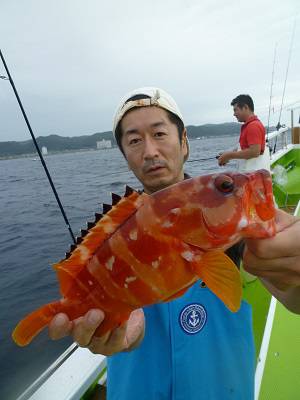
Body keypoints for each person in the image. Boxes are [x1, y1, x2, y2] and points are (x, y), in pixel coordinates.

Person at [49, 87, 300, 400]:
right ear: (126, 156)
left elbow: (292, 298)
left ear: (184, 143)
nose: (150, 150)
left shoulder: (230, 221)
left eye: (159, 133)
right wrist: (111, 329)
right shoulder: (113, 236)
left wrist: (293, 271)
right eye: (134, 141)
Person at [218, 94, 270, 171]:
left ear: (245, 107)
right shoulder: (249, 125)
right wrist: (227, 155)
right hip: (250, 175)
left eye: (236, 110)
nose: (234, 114)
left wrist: (229, 155)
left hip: (253, 177)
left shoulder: (253, 126)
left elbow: (254, 151)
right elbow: (245, 148)